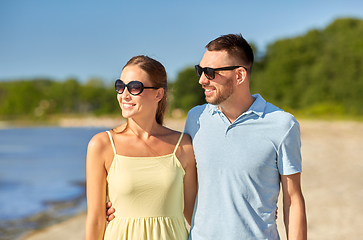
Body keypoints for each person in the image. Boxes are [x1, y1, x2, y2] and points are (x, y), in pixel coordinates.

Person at [107, 34, 307, 240]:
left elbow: (293, 200)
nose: (202, 80)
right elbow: (174, 178)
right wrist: (122, 205)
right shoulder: (196, 118)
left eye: (210, 73)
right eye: (200, 71)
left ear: (239, 75)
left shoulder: (281, 125)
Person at [85, 55, 197, 240]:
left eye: (134, 87)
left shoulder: (183, 145)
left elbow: (194, 215)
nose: (124, 95)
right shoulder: (102, 145)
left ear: (158, 94)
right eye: (120, 87)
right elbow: (96, 220)